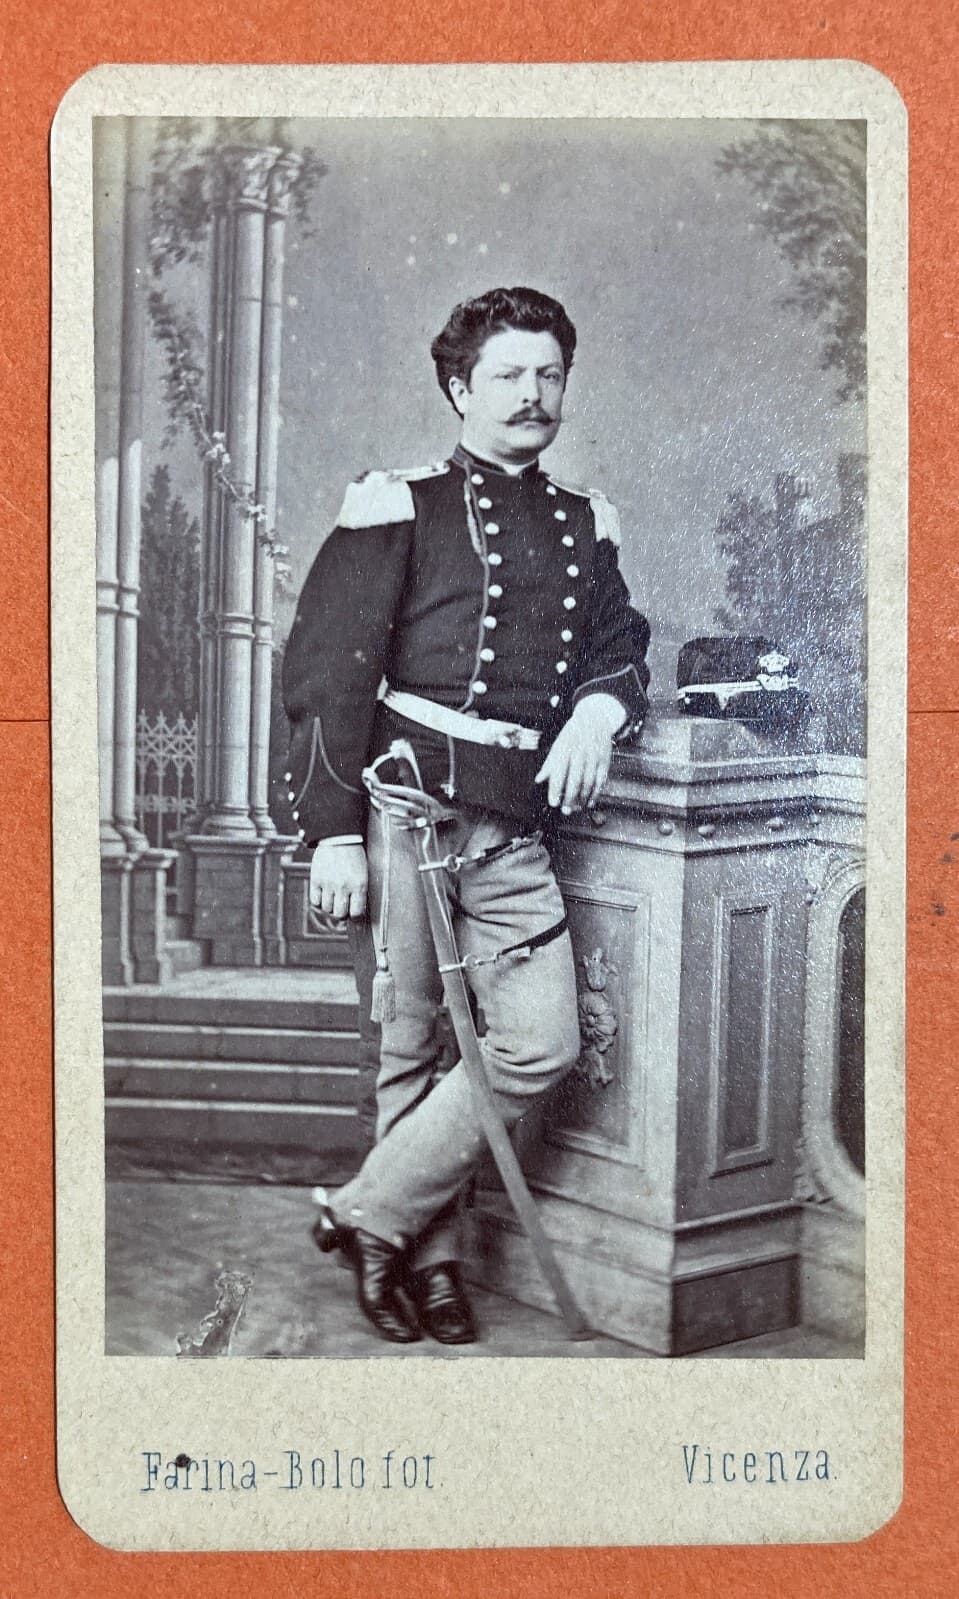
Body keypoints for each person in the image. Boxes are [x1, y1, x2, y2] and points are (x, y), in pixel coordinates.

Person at [282, 286, 649, 1345]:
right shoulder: (397, 505)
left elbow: (618, 644)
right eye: (507, 376)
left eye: (548, 375)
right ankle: (431, 1268)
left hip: (513, 823)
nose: (532, 395)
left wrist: (596, 711)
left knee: (539, 1042)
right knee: (409, 1042)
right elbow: (327, 672)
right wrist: (333, 832)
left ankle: (368, 1213)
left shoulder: (583, 523)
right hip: (407, 812)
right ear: (458, 389)